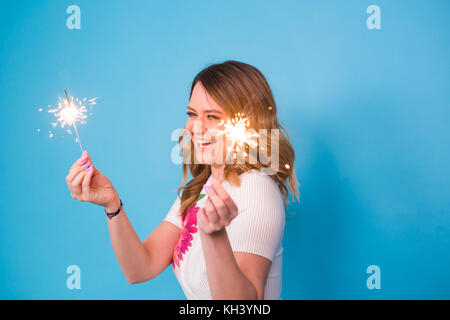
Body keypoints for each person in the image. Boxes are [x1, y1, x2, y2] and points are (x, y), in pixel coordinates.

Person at [65, 60, 299, 300]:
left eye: (213, 117)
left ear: (247, 124)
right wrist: (111, 204)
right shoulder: (201, 188)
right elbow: (140, 267)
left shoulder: (255, 190)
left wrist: (214, 236)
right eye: (192, 114)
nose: (196, 127)